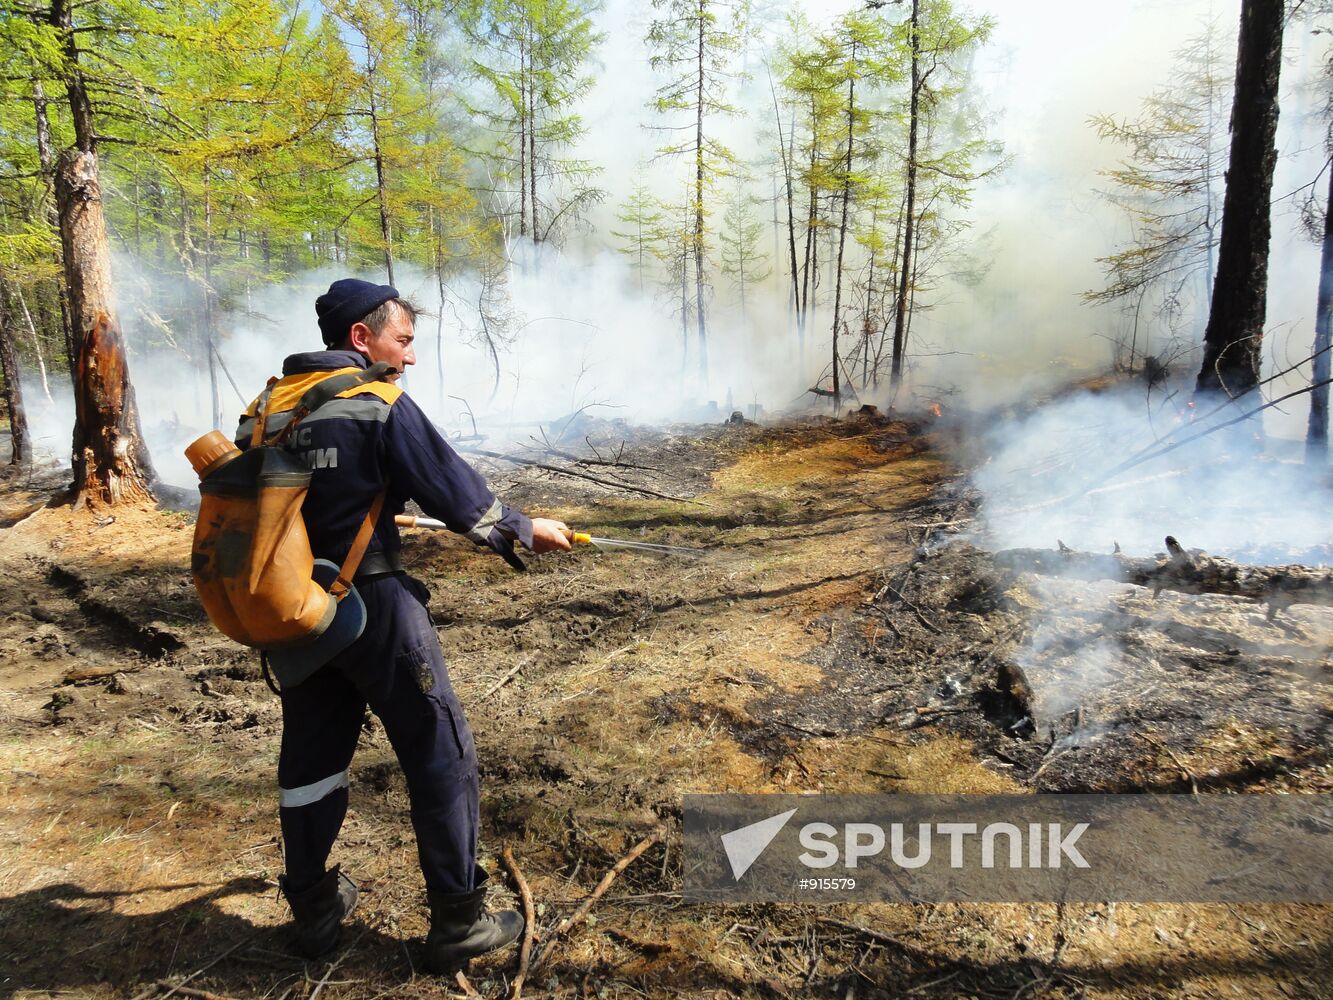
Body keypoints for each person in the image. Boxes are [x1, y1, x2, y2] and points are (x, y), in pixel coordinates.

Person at [236, 278, 571, 969]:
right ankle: (458, 924)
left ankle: (314, 910)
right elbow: (463, 501)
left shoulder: (265, 410)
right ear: (361, 338)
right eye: (404, 340)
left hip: (295, 612)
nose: (410, 357)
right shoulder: (378, 404)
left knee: (310, 762)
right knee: (438, 751)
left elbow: (278, 506)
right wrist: (524, 529)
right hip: (376, 609)